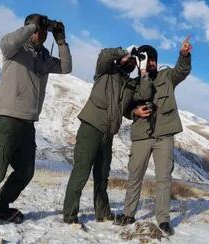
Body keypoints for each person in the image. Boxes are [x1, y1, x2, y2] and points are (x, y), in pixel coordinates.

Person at [0, 14, 72, 241]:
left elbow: (66, 67)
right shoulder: (14, 49)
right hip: (6, 119)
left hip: (28, 123)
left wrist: (61, 41)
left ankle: (0, 207)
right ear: (28, 28)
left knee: (25, 171)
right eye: (36, 30)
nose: (39, 34)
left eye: (42, 32)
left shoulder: (43, 57)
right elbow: (9, 43)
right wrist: (34, 25)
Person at [63, 46, 152, 224]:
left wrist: (143, 70)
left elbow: (144, 94)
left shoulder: (129, 85)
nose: (131, 63)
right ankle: (70, 214)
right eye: (130, 60)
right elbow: (104, 55)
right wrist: (125, 53)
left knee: (102, 175)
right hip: (91, 127)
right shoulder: (105, 71)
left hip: (108, 133)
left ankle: (102, 212)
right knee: (81, 171)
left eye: (134, 63)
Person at [114, 37, 192, 237]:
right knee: (135, 176)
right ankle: (128, 214)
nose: (151, 63)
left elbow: (182, 71)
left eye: (152, 60)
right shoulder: (135, 82)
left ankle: (163, 219)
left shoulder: (167, 76)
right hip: (141, 135)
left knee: (164, 178)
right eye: (147, 60)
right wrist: (135, 113)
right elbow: (126, 108)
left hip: (164, 136)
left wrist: (184, 55)